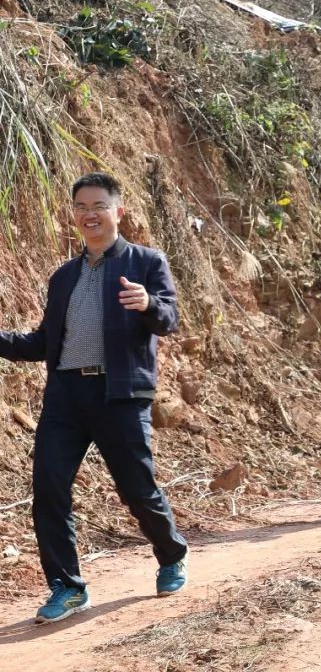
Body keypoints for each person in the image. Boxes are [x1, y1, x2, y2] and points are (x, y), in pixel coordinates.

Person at [0, 172, 188, 624]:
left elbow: (169, 320)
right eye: (81, 207)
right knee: (48, 487)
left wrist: (148, 304)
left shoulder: (146, 262)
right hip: (66, 394)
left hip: (120, 394)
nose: (90, 214)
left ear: (118, 211)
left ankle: (170, 553)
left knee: (136, 488)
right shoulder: (63, 277)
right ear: (75, 215)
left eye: (99, 205)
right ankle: (67, 586)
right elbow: (44, 342)